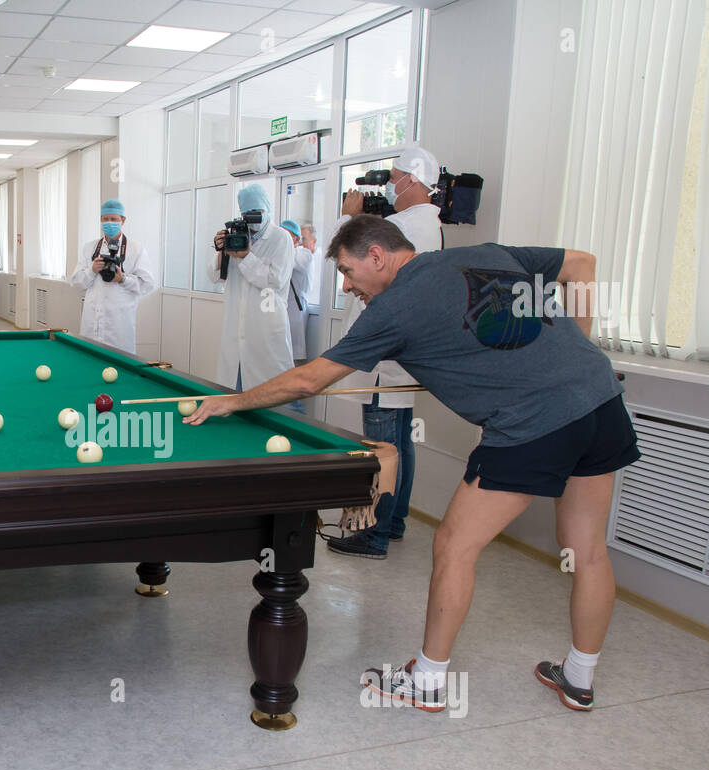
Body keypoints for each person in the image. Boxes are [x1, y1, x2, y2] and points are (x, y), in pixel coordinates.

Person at [186, 215, 638, 714]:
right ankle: (579, 676)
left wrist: (234, 402)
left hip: (532, 424)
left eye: (348, 270)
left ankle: (427, 680)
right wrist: (578, 349)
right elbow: (582, 264)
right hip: (600, 398)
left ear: (377, 256)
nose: (347, 284)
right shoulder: (486, 252)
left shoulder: (393, 308)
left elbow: (310, 381)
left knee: (454, 545)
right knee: (587, 550)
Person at [328, 144, 444, 559]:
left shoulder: (407, 225)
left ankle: (372, 532)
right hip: (403, 358)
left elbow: (347, 252)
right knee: (400, 443)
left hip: (384, 356)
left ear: (412, 180)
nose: (390, 186)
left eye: (393, 178)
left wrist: (350, 215)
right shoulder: (428, 224)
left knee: (381, 446)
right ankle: (393, 523)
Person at [208, 182, 295, 397]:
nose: (252, 219)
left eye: (257, 212)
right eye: (247, 213)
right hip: (237, 330)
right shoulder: (236, 236)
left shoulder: (280, 238)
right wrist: (223, 252)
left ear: (268, 209)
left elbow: (275, 279)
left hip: (266, 329)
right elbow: (213, 276)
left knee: (275, 396)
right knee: (234, 391)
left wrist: (246, 257)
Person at [67, 199, 156, 353]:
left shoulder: (136, 249)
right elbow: (75, 283)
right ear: (101, 220)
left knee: (120, 367)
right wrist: (91, 271)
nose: (109, 223)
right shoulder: (90, 248)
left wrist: (123, 279)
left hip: (119, 326)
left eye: (114, 219)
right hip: (92, 322)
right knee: (89, 361)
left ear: (123, 220)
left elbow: (148, 284)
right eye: (105, 219)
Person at [279, 220, 313, 363]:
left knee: (293, 357)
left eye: (286, 236)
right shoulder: (280, 253)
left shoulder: (303, 254)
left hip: (295, 311)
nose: (281, 240)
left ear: (296, 239)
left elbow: (293, 263)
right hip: (280, 309)